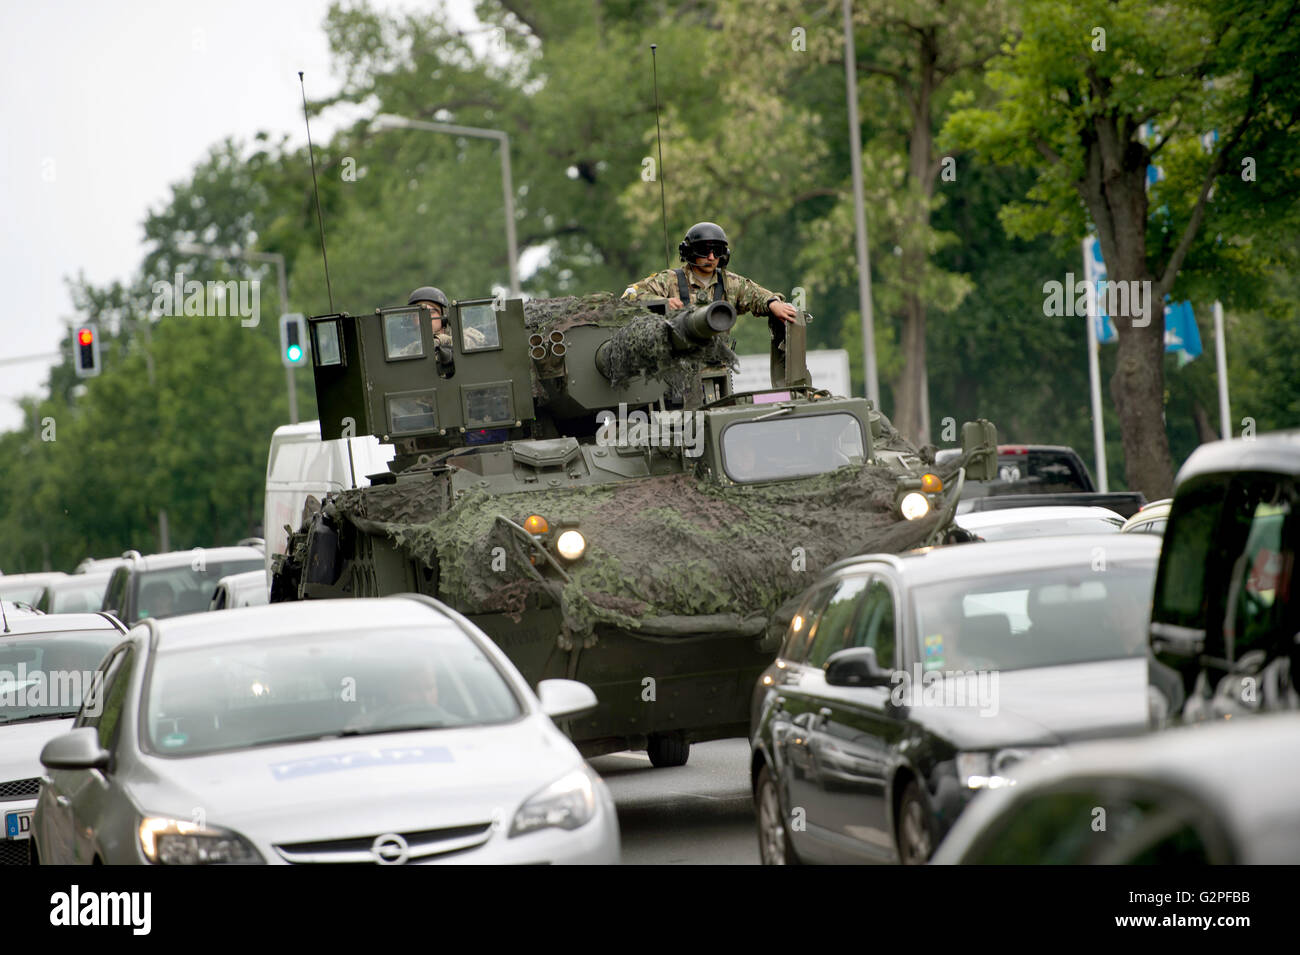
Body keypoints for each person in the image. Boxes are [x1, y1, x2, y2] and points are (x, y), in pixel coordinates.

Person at [620, 222, 798, 323]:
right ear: (690, 252)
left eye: (717, 250)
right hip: (675, 369)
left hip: (717, 367)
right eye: (704, 251)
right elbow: (629, 295)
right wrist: (662, 303)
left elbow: (757, 295)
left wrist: (774, 303)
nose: (711, 257)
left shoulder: (730, 283)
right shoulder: (670, 280)